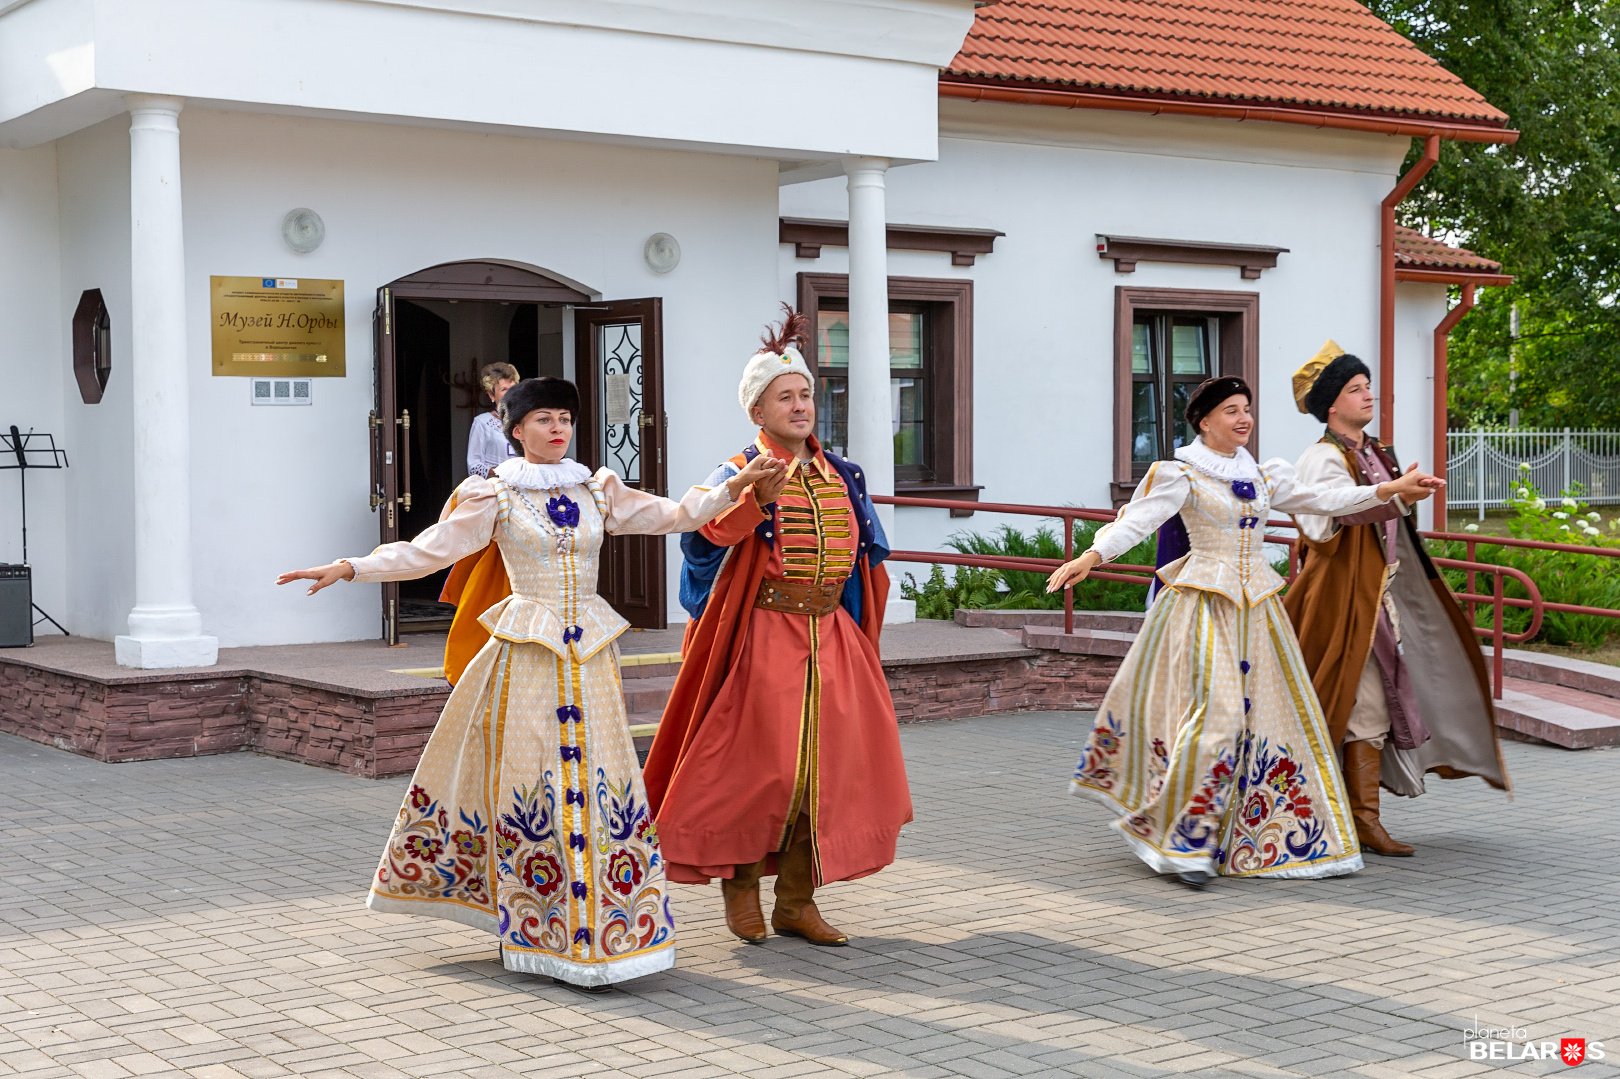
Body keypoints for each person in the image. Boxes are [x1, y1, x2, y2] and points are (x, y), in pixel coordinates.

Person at [277, 377, 783, 988]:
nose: (557, 428)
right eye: (542, 418)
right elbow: (427, 551)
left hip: (590, 656)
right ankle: (535, 925)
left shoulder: (598, 488)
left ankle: (605, 927)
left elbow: (676, 515)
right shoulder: (495, 495)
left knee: (599, 783)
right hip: (527, 656)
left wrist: (734, 486)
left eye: (564, 417)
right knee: (533, 781)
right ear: (515, 430)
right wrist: (351, 566)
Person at [1046, 376, 1443, 887]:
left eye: (1247, 409)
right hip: (1201, 606)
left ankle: (1230, 833)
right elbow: (1136, 520)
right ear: (1205, 421)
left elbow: (1325, 499)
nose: (1243, 418)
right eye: (1230, 410)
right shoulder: (1179, 472)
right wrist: (1093, 554)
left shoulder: (1263, 473)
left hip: (1258, 612)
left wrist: (1389, 489)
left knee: (1266, 725)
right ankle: (1183, 841)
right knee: (1221, 714)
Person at [642, 307, 911, 946]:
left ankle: (796, 900)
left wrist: (863, 634)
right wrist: (749, 502)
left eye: (806, 395)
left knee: (826, 773)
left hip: (832, 637)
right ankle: (742, 892)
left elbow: (866, 564)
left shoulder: (844, 474)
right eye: (784, 397)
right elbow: (701, 550)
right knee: (757, 770)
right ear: (757, 413)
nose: (799, 406)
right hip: (760, 637)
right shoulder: (732, 471)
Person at [1283, 341, 1509, 857]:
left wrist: (1406, 491)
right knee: (1351, 698)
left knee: (1372, 698)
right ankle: (1347, 817)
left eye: (1367, 386)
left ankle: (1357, 816)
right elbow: (1327, 518)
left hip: (1376, 596)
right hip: (1340, 598)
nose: (1367, 396)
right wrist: (1393, 494)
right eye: (1355, 389)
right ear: (1331, 404)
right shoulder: (1321, 458)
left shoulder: (1371, 450)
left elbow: (1383, 513)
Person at [466, 362, 520, 478]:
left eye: (513, 388)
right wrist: (503, 472)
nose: (511, 393)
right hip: (496, 490)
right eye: (504, 389)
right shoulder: (482, 423)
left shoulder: (526, 421)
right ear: (491, 395)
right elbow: (474, 466)